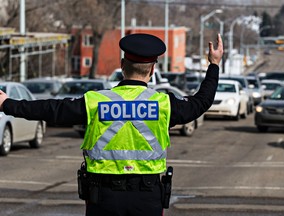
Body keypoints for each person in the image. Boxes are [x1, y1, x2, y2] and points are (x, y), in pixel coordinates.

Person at [0, 33, 223, 216]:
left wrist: (7, 104)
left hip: (103, 197)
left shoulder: (96, 101)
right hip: (147, 197)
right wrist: (213, 65)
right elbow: (200, 102)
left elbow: (51, 109)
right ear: (153, 70)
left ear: (122, 65)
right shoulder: (163, 104)